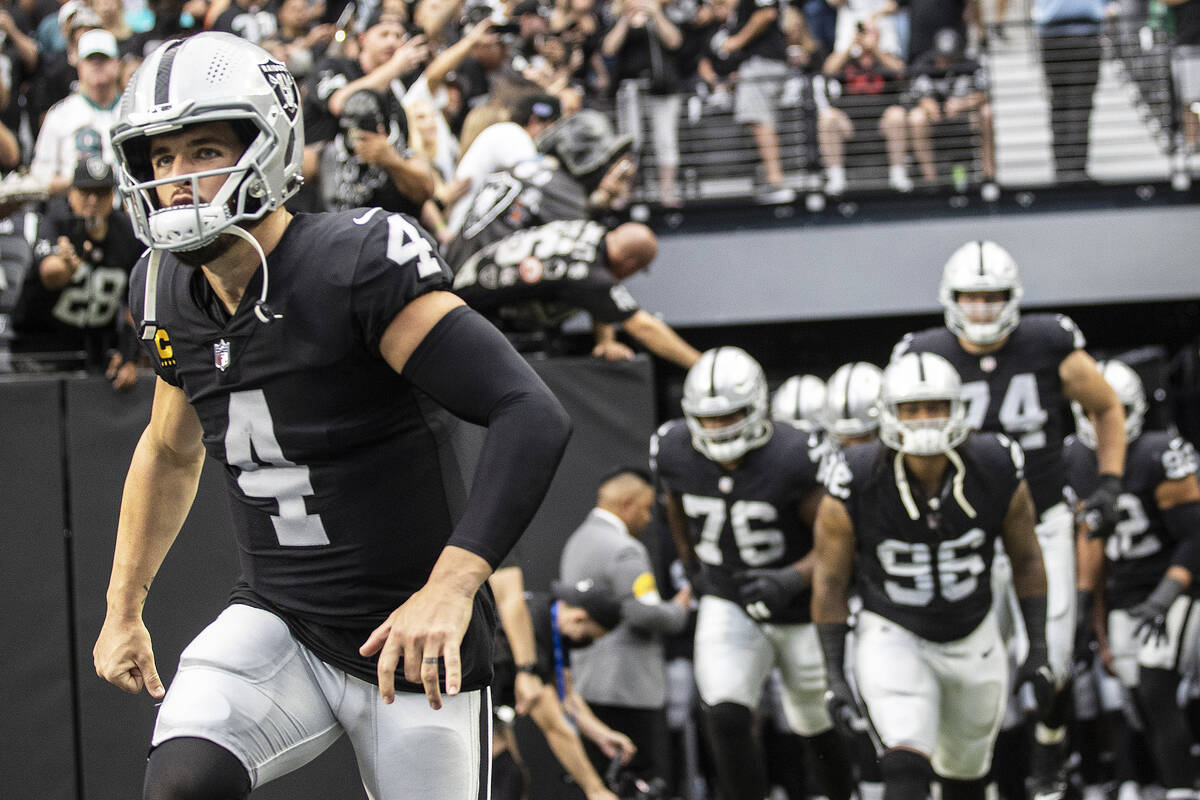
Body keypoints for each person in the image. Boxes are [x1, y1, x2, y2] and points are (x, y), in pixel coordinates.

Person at [91, 33, 572, 799]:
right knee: (179, 786)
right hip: (279, 620)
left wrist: (450, 589)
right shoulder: (162, 289)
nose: (177, 180)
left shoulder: (353, 262)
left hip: (410, 643)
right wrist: (124, 607)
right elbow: (169, 449)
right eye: (161, 159)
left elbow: (528, 409)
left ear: (269, 145)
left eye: (204, 149)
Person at [892, 240, 1127, 800]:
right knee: (977, 661)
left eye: (992, 296)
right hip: (969, 531)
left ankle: (1051, 739)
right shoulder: (924, 354)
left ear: (1013, 297)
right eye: (971, 298)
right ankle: (986, 776)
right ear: (951, 300)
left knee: (1053, 656)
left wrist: (1111, 480)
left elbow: (1106, 405)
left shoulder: (1048, 342)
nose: (981, 310)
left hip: (1042, 520)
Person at [812, 351, 1054, 800]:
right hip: (893, 630)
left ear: (958, 408)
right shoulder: (856, 474)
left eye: (936, 407)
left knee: (966, 777)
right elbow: (829, 580)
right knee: (904, 763)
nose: (925, 421)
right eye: (913, 409)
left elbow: (1027, 558)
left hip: (973, 634)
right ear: (889, 413)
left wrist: (1037, 645)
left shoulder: (995, 462)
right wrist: (833, 670)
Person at [652, 346, 853, 800]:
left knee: (815, 720)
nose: (720, 427)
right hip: (731, 600)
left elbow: (838, 544)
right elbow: (675, 503)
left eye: (732, 415)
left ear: (759, 406)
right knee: (724, 712)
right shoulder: (674, 448)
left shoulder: (795, 453)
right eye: (709, 418)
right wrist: (690, 561)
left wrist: (792, 579)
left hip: (802, 608)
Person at [1065, 359, 1200, 800]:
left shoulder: (1160, 451)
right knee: (1134, 697)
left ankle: (1181, 790)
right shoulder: (1076, 458)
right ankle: (1151, 782)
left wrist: (1167, 594)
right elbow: (1092, 542)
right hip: (1124, 591)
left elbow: (1195, 534)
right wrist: (1090, 605)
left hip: (1175, 584)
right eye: (1092, 412)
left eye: (1116, 409)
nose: (1102, 420)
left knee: (1157, 686)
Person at [558, 468, 693, 788]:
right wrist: (679, 608)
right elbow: (643, 614)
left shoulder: (576, 541)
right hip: (631, 690)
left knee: (603, 780)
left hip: (587, 686)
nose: (647, 519)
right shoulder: (626, 549)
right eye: (646, 509)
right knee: (639, 780)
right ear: (627, 504)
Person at [452, 217, 701, 368]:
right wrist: (699, 363)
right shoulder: (593, 277)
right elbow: (642, 327)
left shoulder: (589, 230)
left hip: (466, 278)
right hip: (470, 313)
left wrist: (606, 341)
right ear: (631, 265)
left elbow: (600, 297)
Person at [489, 568, 635, 800]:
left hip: (486, 708)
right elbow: (556, 727)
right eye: (590, 637)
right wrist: (595, 790)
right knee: (504, 777)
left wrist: (601, 734)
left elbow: (566, 695)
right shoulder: (532, 629)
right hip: (453, 698)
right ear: (580, 618)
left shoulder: (553, 621)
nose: (585, 642)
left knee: (510, 777)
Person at [444, 108, 638, 270]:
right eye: (618, 175)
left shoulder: (533, 171)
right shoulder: (564, 197)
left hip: (455, 271)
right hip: (472, 294)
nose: (619, 189)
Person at [9, 157, 141, 388]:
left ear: (112, 196)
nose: (92, 201)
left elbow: (135, 299)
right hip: (42, 349)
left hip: (97, 351)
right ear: (71, 193)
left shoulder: (126, 232)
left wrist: (129, 352)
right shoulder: (54, 222)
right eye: (85, 192)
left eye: (100, 193)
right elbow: (49, 275)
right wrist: (68, 265)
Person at [603, 0, 687, 207]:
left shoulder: (666, 13)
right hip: (630, 89)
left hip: (662, 87)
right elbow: (608, 48)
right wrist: (625, 19)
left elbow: (675, 42)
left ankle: (666, 192)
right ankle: (626, 191)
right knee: (630, 143)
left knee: (666, 140)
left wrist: (656, 14)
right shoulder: (615, 17)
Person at [818, 18, 911, 195]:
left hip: (881, 120)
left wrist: (875, 49)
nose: (866, 37)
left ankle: (898, 175)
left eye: (871, 32)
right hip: (850, 121)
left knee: (897, 114)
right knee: (827, 117)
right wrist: (852, 43)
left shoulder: (886, 57)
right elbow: (828, 71)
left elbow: (901, 72)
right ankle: (836, 178)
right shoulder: (848, 59)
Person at [716, 0, 797, 203]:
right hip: (760, 63)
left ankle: (775, 181)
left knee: (760, 119)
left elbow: (767, 13)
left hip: (763, 64)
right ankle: (771, 179)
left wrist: (736, 41)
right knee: (759, 119)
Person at [30, 27, 121, 196]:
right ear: (79, 66)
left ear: (117, 64)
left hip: (127, 208)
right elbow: (40, 177)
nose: (96, 64)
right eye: (90, 59)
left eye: (103, 58)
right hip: (74, 208)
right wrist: (85, 179)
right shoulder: (60, 114)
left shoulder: (133, 109)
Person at [905, 27, 994, 190]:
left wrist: (963, 103)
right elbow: (918, 95)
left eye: (950, 57)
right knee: (916, 118)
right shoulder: (924, 64)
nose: (946, 62)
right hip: (934, 118)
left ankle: (989, 177)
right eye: (942, 57)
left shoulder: (970, 64)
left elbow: (984, 94)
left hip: (964, 116)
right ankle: (930, 181)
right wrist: (928, 105)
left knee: (987, 112)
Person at [1032, 0, 1107, 182]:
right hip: (1073, 33)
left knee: (1067, 102)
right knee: (1071, 102)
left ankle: (1067, 167)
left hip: (1070, 33)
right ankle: (1071, 168)